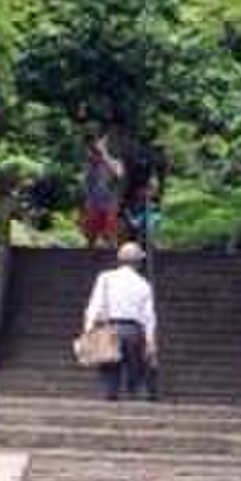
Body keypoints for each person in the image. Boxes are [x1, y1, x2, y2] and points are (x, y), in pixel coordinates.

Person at [82, 241, 156, 401]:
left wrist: (88, 328)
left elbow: (95, 304)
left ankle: (111, 395)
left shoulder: (106, 277)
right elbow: (149, 316)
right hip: (134, 330)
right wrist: (150, 341)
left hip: (111, 327)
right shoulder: (144, 284)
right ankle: (136, 395)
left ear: (119, 259)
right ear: (138, 262)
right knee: (135, 366)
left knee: (109, 368)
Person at [80, 133, 124, 246]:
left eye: (96, 151)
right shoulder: (90, 165)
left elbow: (118, 175)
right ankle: (89, 255)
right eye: (93, 151)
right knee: (91, 233)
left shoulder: (115, 162)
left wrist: (104, 156)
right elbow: (85, 184)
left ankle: (112, 254)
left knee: (110, 232)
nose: (94, 153)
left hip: (110, 202)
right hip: (94, 202)